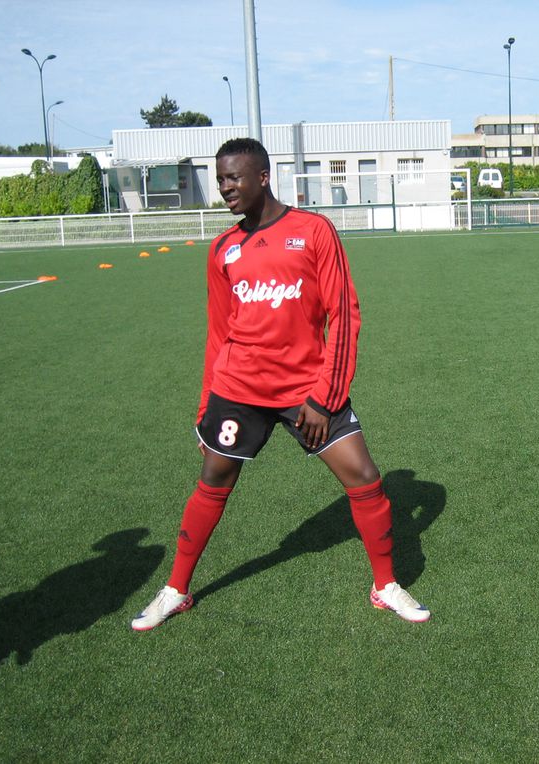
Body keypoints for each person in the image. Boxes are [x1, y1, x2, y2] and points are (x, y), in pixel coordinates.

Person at [131, 138, 429, 629]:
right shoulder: (223, 249)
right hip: (238, 389)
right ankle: (176, 589)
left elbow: (344, 315)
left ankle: (386, 585)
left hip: (306, 392)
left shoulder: (313, 231)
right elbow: (219, 333)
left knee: (364, 476)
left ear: (263, 177)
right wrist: (207, 403)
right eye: (221, 179)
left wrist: (323, 397)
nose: (225, 188)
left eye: (234, 178)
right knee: (213, 481)